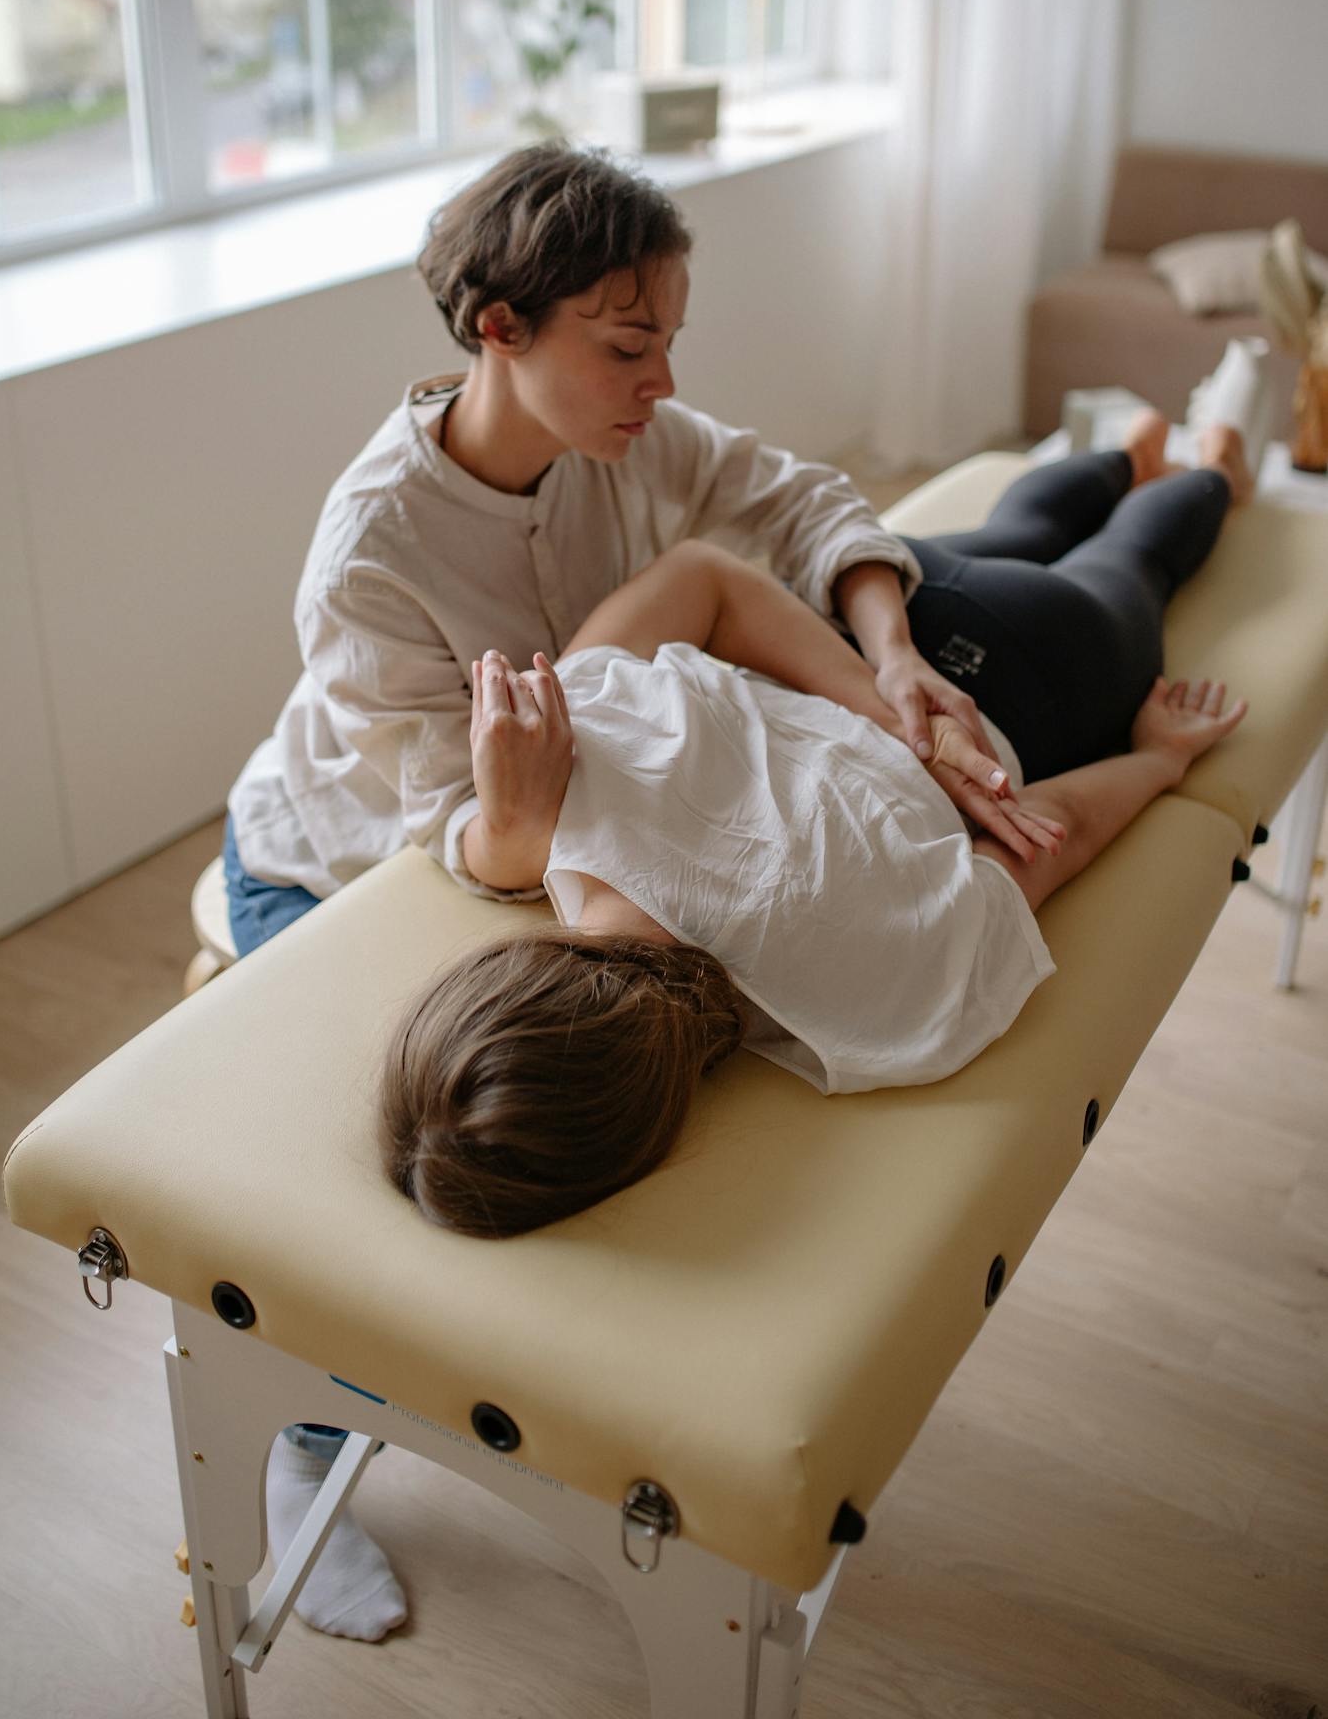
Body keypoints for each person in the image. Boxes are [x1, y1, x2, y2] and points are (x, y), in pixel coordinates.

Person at [223, 139, 997, 1641]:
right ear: (499, 329)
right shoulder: (372, 555)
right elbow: (456, 834)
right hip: (333, 865)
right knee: (420, 1167)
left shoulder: (628, 438)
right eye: (628, 344)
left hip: (531, 830)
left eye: (668, 347)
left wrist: (889, 654)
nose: (656, 381)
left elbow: (804, 501)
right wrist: (515, 828)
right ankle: (300, 1454)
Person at [380, 416, 1250, 1243]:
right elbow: (702, 577)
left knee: (1134, 560)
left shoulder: (887, 1020)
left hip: (1042, 677)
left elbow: (1042, 832)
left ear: (641, 1120)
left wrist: (1159, 758)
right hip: (882, 621)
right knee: (1021, 523)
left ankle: (1213, 467)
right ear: (500, 968)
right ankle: (1133, 454)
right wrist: (892, 689)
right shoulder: (567, 758)